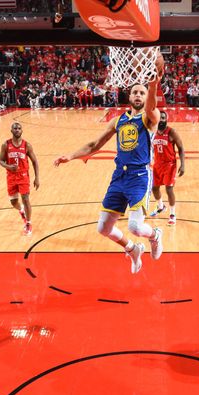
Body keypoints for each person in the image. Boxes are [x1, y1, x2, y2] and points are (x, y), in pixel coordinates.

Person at [54, 55, 165, 274]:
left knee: (134, 226)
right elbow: (95, 144)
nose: (138, 95)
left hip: (139, 176)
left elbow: (152, 105)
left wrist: (153, 84)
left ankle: (155, 235)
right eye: (135, 91)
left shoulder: (150, 118)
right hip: (119, 176)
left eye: (142, 92)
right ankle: (133, 249)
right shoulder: (119, 120)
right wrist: (71, 156)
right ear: (129, 95)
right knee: (103, 228)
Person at [0, 121, 40, 235]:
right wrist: (8, 166)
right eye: (15, 128)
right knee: (13, 202)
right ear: (11, 130)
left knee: (25, 199)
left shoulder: (27, 145)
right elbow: (1, 161)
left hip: (23, 175)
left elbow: (35, 161)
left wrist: (37, 178)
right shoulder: (6, 145)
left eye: (19, 128)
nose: (17, 130)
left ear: (22, 131)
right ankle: (21, 210)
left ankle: (28, 223)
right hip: (11, 176)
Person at [149, 111, 185, 226]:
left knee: (169, 189)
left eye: (163, 118)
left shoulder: (171, 132)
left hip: (170, 165)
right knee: (154, 188)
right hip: (157, 164)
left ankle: (172, 214)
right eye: (160, 118)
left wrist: (183, 164)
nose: (161, 120)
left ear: (166, 120)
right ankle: (160, 206)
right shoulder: (153, 132)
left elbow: (181, 148)